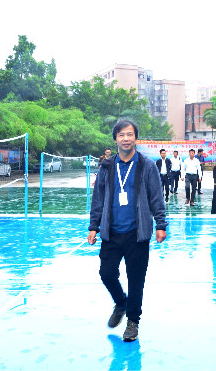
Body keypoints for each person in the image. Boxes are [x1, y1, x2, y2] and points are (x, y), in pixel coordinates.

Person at [87, 119, 167, 342]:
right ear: (115, 139)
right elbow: (98, 198)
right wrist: (93, 226)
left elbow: (156, 196)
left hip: (137, 233)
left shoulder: (147, 165)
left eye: (129, 134)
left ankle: (133, 322)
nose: (126, 139)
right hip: (111, 232)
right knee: (106, 274)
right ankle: (121, 302)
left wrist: (161, 224)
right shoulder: (106, 166)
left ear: (135, 138)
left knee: (136, 280)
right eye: (121, 135)